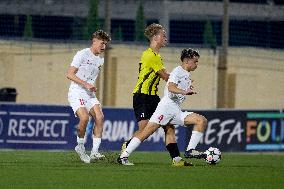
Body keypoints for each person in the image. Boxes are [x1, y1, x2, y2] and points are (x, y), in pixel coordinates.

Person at [117, 48, 207, 165]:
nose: (196, 64)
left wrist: (186, 89)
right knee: (146, 132)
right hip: (165, 108)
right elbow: (170, 87)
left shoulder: (186, 75)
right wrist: (185, 92)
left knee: (201, 120)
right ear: (186, 60)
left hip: (175, 110)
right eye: (195, 61)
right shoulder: (177, 71)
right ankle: (123, 156)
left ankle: (190, 151)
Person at [67, 30, 111, 163]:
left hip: (89, 93)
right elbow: (69, 74)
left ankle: (94, 152)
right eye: (102, 43)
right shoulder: (82, 54)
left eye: (106, 44)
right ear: (94, 41)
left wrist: (90, 87)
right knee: (85, 118)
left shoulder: (100, 60)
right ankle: (80, 146)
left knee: (99, 117)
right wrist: (86, 84)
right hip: (76, 91)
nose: (104, 47)